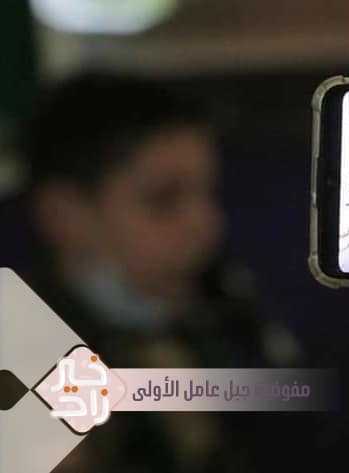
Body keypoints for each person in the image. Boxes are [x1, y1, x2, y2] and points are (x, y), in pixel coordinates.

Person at [19, 73, 302, 473]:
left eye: (208, 194)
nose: (205, 225)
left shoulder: (230, 315)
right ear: (65, 215)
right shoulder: (23, 359)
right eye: (164, 200)